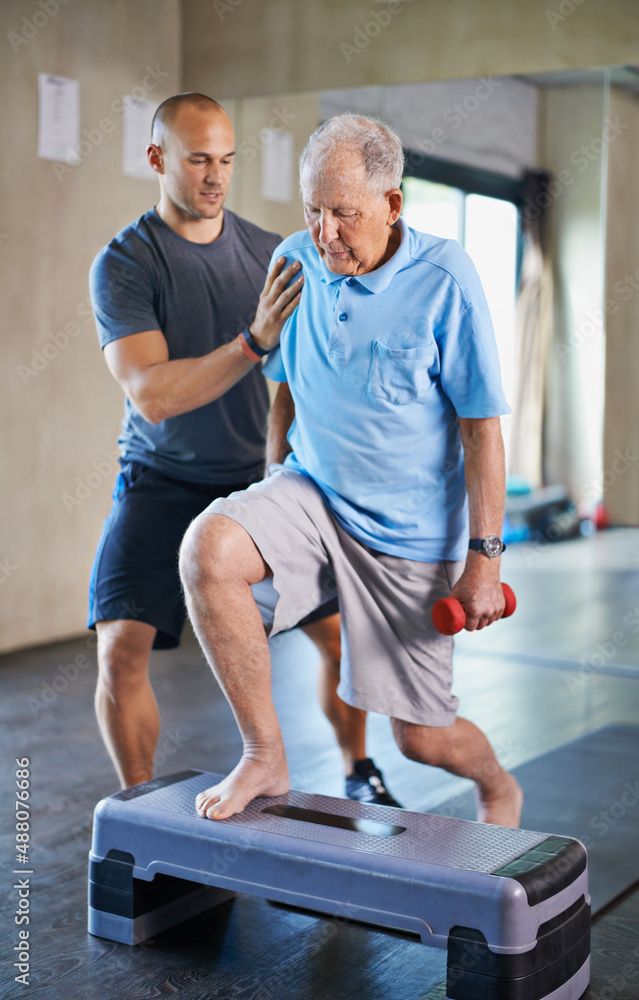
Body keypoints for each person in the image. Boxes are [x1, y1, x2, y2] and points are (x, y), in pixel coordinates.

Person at [179, 113, 523, 827]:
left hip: (407, 537)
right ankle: (263, 755)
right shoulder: (296, 260)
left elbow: (480, 427)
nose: (325, 234)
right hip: (314, 497)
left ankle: (497, 786)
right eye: (313, 211)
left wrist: (484, 560)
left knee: (420, 739)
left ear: (392, 205)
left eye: (343, 214)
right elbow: (284, 382)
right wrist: (274, 476)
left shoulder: (443, 278)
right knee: (208, 549)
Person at [88, 94, 399, 807]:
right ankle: (142, 816)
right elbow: (154, 395)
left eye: (226, 160)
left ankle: (359, 768)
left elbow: (332, 353)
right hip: (162, 478)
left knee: (340, 641)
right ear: (157, 159)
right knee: (120, 649)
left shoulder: (274, 253)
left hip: (260, 483)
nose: (214, 176)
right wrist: (253, 341)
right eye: (197, 159)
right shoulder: (126, 263)